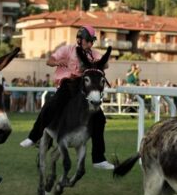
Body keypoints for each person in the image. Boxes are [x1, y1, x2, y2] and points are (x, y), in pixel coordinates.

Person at [20, 25, 114, 170]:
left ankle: (98, 159)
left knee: (100, 118)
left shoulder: (93, 53)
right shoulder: (67, 50)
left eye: (92, 41)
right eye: (88, 41)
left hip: (83, 88)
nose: (90, 44)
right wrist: (58, 62)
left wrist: (97, 63)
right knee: (52, 105)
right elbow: (49, 60)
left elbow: (105, 64)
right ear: (79, 39)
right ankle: (33, 137)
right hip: (67, 85)